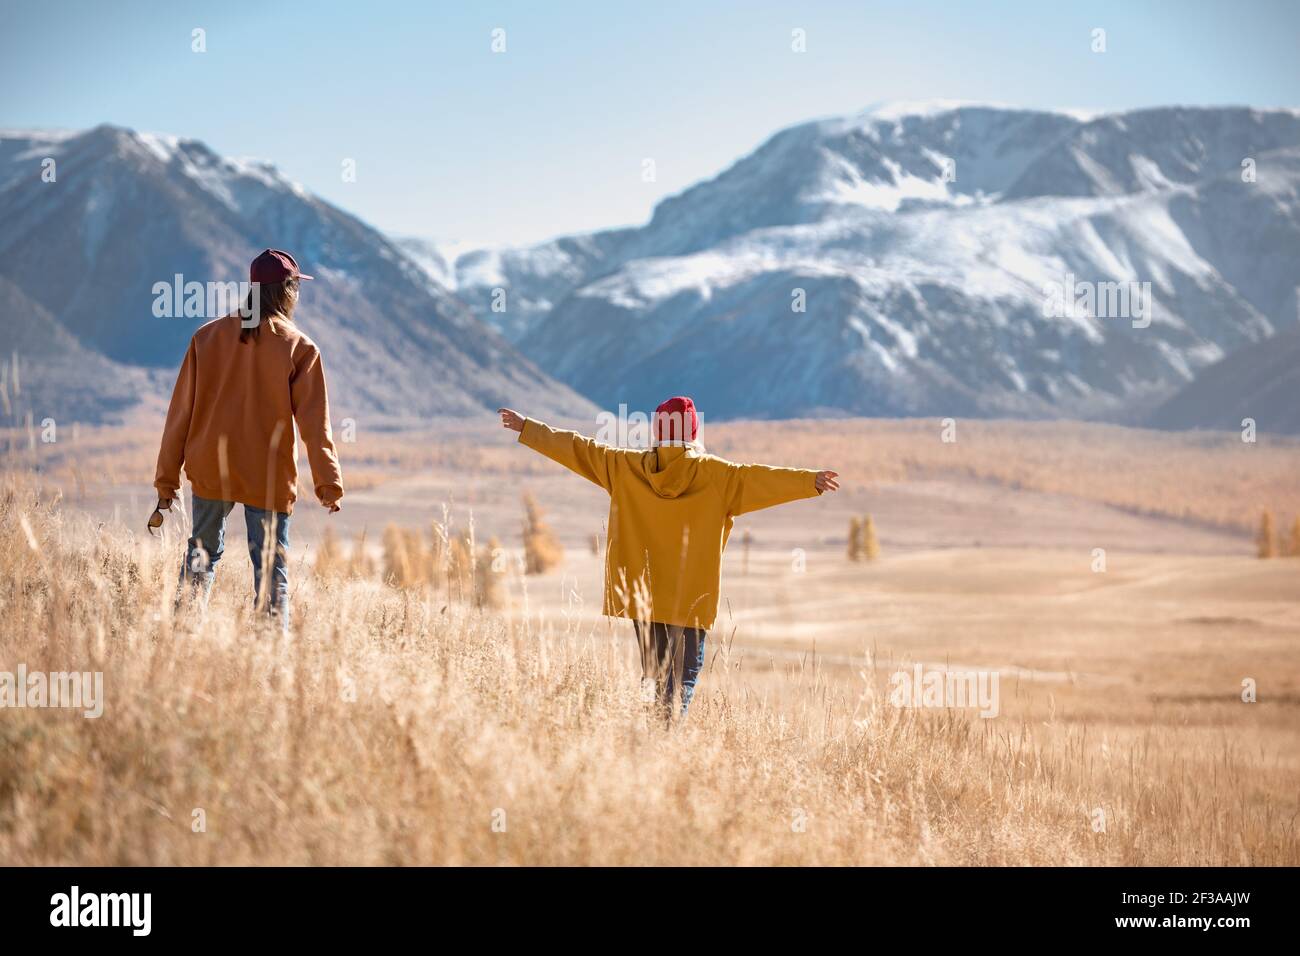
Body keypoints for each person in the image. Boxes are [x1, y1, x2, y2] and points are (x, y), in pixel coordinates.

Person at [498, 397, 838, 718]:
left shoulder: (624, 466)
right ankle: (664, 738)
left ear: (658, 432)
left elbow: (579, 448)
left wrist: (529, 428)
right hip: (690, 599)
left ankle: (651, 737)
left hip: (644, 596)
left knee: (653, 676)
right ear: (693, 432)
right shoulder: (719, 476)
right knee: (682, 678)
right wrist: (810, 481)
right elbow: (763, 479)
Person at [152, 249, 343, 628]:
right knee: (272, 568)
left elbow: (179, 416)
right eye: (297, 287)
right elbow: (314, 425)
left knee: (201, 556)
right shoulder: (299, 347)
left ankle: (182, 638)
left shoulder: (206, 337)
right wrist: (328, 484)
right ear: (287, 290)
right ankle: (270, 656)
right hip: (267, 474)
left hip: (210, 466)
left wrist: (166, 481)